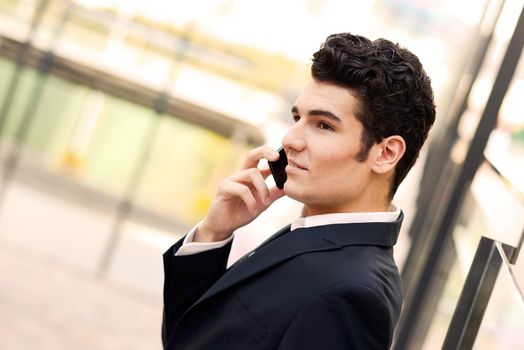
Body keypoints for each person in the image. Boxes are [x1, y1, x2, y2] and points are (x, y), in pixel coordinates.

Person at [162, 33, 436, 350]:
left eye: (323, 125)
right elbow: (189, 339)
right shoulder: (318, 238)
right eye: (298, 118)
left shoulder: (352, 296)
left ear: (386, 153)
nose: (291, 139)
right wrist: (213, 234)